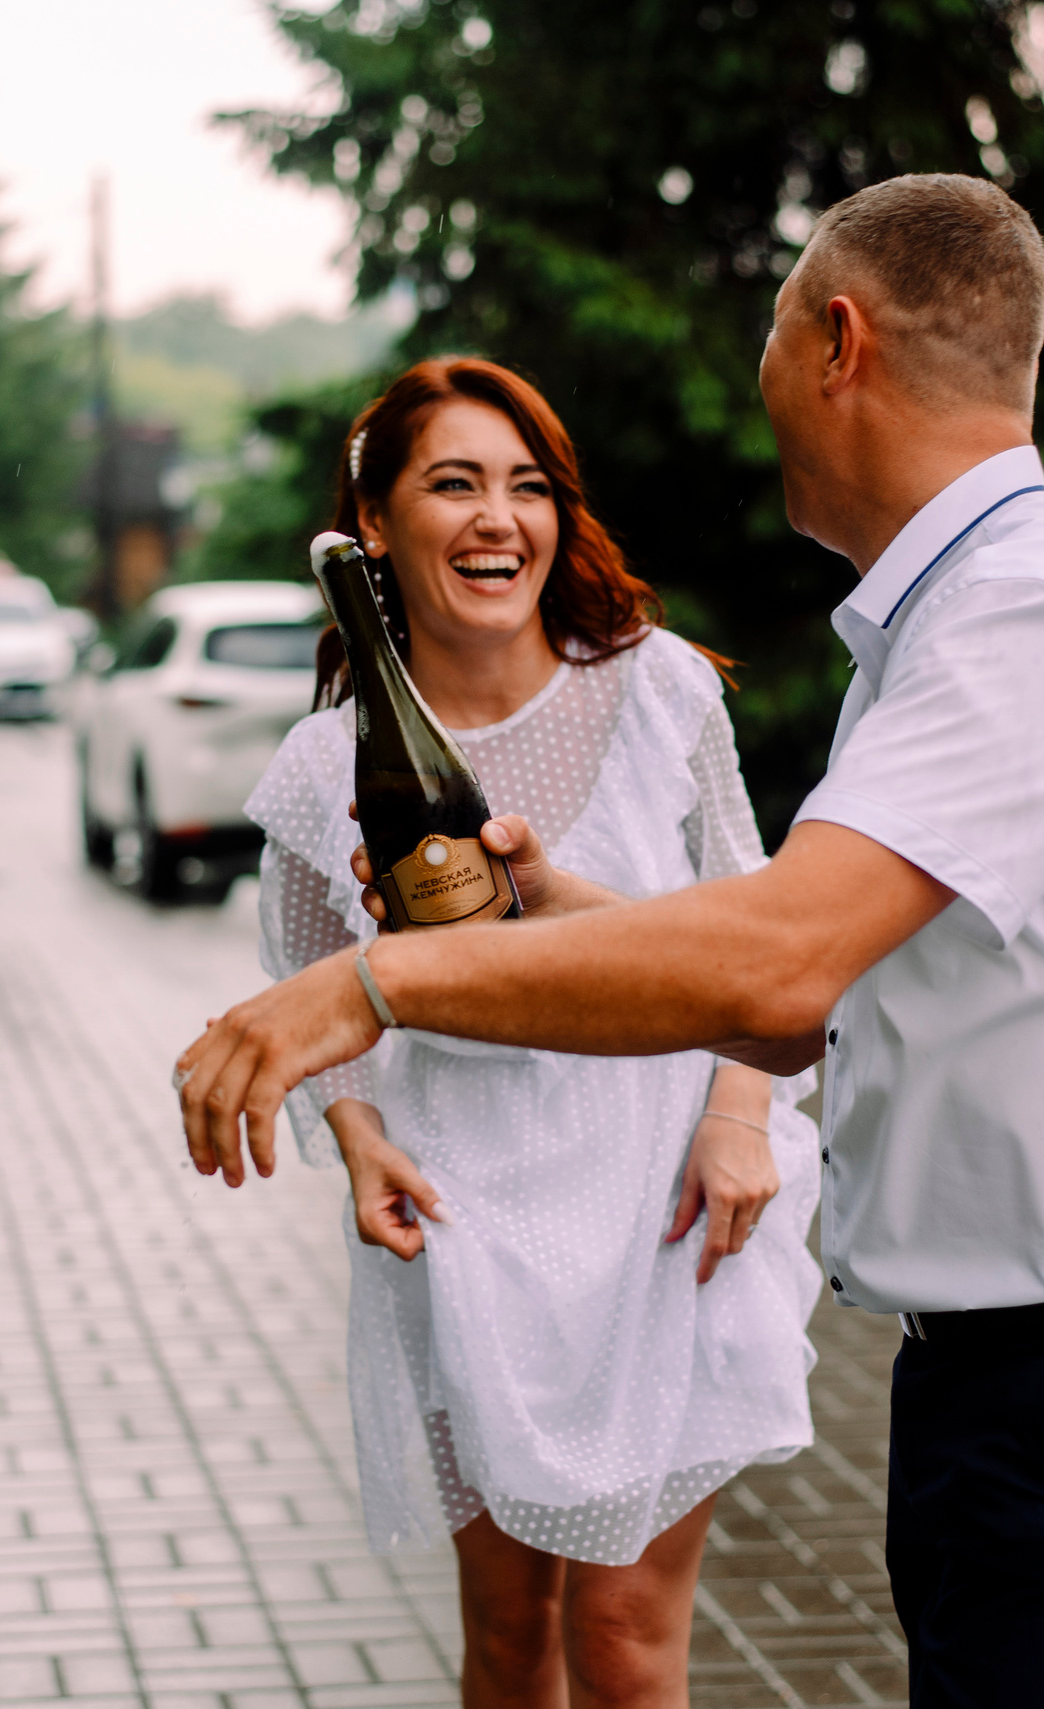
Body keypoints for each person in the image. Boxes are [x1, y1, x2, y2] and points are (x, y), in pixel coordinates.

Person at [176, 176, 1044, 1709]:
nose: (758, 373)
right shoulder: (939, 625)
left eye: (772, 328)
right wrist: (569, 911)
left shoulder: (1036, 614)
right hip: (1022, 1364)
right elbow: (805, 1010)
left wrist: (373, 979)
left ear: (836, 341)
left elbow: (774, 965)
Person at [248, 355, 824, 1706]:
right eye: (454, 483)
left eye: (529, 486)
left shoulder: (660, 692)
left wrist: (742, 1120)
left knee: (625, 1643)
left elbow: (763, 927)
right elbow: (304, 962)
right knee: (510, 1646)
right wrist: (358, 1137)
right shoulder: (328, 764)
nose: (501, 517)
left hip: (671, 1203)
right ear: (376, 524)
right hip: (469, 1223)